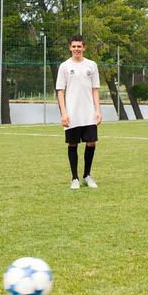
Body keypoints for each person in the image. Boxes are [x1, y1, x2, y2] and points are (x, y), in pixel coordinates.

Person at [56, 34, 102, 190]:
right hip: (72, 113)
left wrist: (98, 110)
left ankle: (87, 176)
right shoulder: (64, 66)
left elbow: (95, 89)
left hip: (89, 113)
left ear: (84, 47)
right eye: (74, 46)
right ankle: (74, 178)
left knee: (91, 142)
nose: (76, 49)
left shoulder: (92, 65)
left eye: (79, 46)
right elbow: (60, 91)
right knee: (73, 143)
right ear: (70, 47)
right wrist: (64, 112)